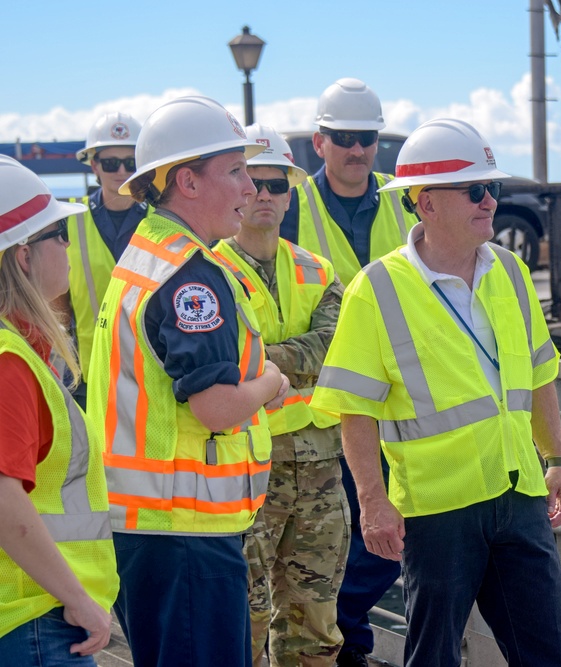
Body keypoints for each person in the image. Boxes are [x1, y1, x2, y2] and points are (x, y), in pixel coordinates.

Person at [310, 118, 561, 667]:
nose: (489, 202)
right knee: (433, 656)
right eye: (475, 190)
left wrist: (557, 460)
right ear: (425, 203)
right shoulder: (376, 289)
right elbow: (353, 409)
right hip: (437, 508)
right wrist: (372, 503)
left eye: (492, 189)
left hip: (519, 493)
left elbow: (540, 372)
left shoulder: (512, 270)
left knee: (547, 654)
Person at [87, 96, 289, 667]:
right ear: (187, 183)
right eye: (235, 171)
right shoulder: (190, 273)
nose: (252, 188)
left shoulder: (148, 250)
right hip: (185, 528)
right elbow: (218, 408)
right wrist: (270, 383)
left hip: (149, 525)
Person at [279, 76, 418, 667]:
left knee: (394, 530)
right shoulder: (290, 204)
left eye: (367, 138)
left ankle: (342, 626)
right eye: (343, 139)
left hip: (405, 401)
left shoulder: (404, 196)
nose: (357, 150)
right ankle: (348, 648)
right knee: (336, 543)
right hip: (323, 411)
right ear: (320, 142)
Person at [215, 125, 349, 665]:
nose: (264, 194)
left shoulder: (319, 270)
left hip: (319, 467)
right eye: (254, 181)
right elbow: (224, 359)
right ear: (239, 188)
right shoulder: (208, 273)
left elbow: (336, 346)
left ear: (291, 192)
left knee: (315, 624)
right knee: (241, 623)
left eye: (276, 184)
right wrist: (292, 359)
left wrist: (265, 360)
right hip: (244, 469)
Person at [0, 156, 119, 665]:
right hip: (37, 619)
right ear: (24, 257)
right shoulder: (10, 363)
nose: (71, 246)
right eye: (59, 233)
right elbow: (5, 503)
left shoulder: (20, 352)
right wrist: (79, 600)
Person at [65, 112, 149, 407]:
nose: (122, 170)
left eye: (131, 162)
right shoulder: (68, 220)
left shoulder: (163, 219)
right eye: (111, 163)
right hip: (88, 378)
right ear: (94, 165)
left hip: (152, 374)